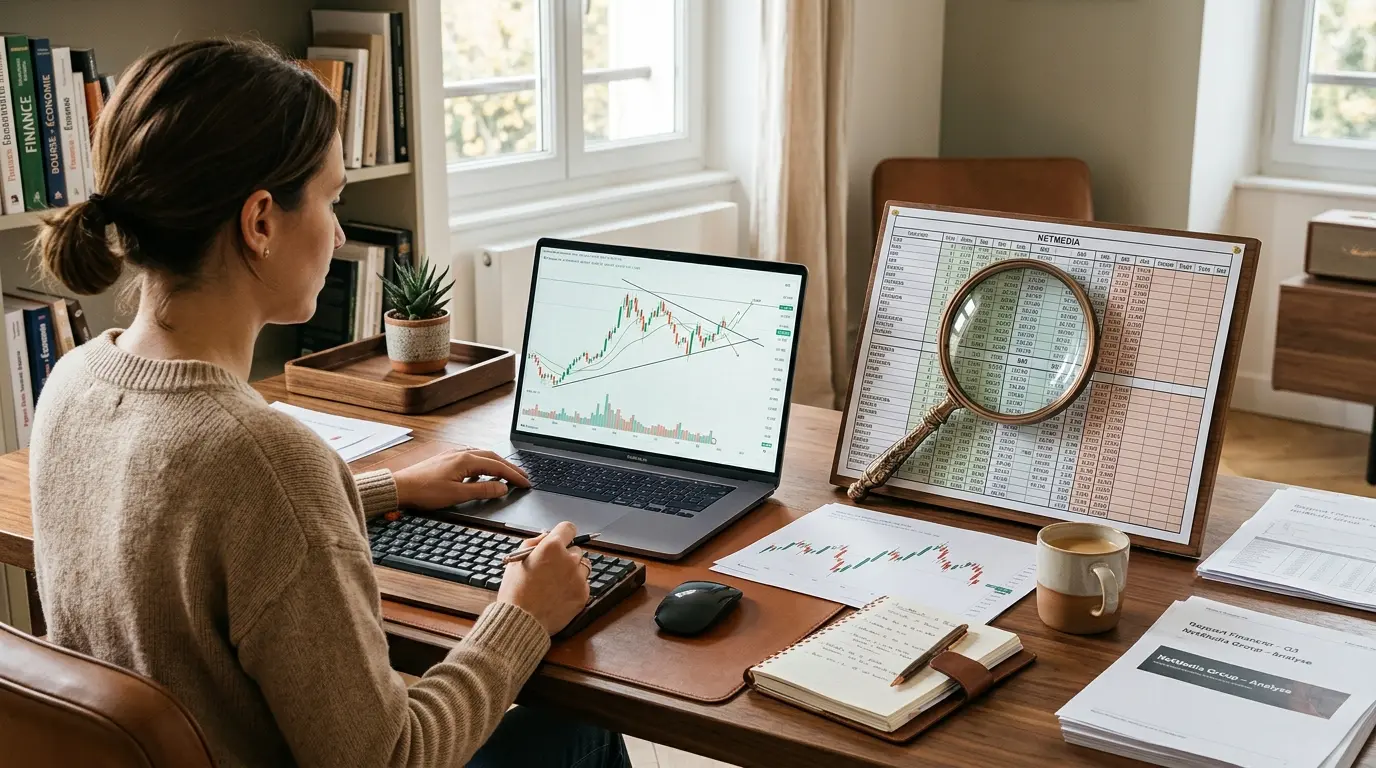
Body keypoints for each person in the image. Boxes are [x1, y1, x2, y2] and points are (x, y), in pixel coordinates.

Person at [28, 39, 629, 768]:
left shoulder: (73, 383)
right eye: (332, 198)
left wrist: (383, 488)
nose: (340, 232)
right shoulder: (263, 459)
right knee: (577, 729)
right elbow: (392, 757)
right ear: (260, 222)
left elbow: (188, 526)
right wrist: (520, 618)